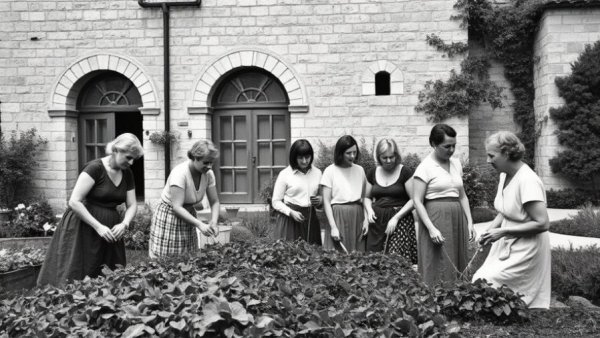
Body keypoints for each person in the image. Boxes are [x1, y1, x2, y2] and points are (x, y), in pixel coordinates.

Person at [37, 133, 143, 286]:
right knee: (79, 270)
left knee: (108, 274)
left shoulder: (127, 173)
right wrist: (98, 226)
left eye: (134, 159)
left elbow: (132, 204)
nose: (131, 162)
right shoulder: (95, 168)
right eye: (128, 157)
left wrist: (124, 224)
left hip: (110, 232)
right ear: (116, 150)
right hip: (84, 226)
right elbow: (74, 201)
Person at [473, 131, 551, 308]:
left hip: (527, 246)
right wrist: (489, 231)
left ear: (506, 154)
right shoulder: (504, 175)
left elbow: (542, 223)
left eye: (491, 155)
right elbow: (506, 210)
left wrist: (503, 231)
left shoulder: (528, 180)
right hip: (507, 241)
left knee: (487, 282)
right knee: (481, 281)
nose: (487, 160)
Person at [413, 124, 474, 286]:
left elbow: (462, 196)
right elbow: (417, 201)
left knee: (458, 256)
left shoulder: (456, 164)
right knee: (439, 259)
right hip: (436, 217)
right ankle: (435, 298)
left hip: (456, 216)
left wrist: (470, 222)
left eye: (454, 146)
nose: (451, 150)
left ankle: (458, 296)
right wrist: (431, 228)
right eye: (447, 146)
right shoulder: (424, 168)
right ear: (434, 144)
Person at [149, 139, 220, 258]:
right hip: (170, 215)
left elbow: (214, 202)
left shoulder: (208, 174)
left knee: (189, 257)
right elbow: (177, 207)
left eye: (211, 162)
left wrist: (214, 222)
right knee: (167, 259)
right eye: (206, 162)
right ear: (195, 158)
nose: (209, 166)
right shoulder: (180, 173)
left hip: (189, 214)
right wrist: (200, 224)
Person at [363, 139, 417, 263]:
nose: (388, 161)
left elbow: (414, 200)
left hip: (399, 223)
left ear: (396, 155)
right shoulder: (372, 172)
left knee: (395, 261)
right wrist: (369, 209)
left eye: (391, 157)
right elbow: (366, 197)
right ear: (378, 157)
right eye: (384, 158)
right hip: (377, 223)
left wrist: (396, 218)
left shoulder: (405, 172)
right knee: (373, 260)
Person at [321, 135, 367, 252]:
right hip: (338, 216)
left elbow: (365, 198)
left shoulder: (360, 170)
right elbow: (326, 201)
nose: (352, 156)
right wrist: (333, 227)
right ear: (340, 153)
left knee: (357, 255)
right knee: (338, 255)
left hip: (357, 215)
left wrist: (366, 220)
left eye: (355, 152)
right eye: (348, 153)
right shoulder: (330, 171)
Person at [271, 139, 322, 245]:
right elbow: (275, 201)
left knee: (313, 255)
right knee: (290, 254)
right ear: (294, 157)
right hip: (290, 220)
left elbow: (321, 198)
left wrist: (320, 200)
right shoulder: (285, 174)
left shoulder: (317, 173)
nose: (304, 161)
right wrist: (290, 212)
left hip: (310, 220)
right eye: (300, 158)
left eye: (307, 157)